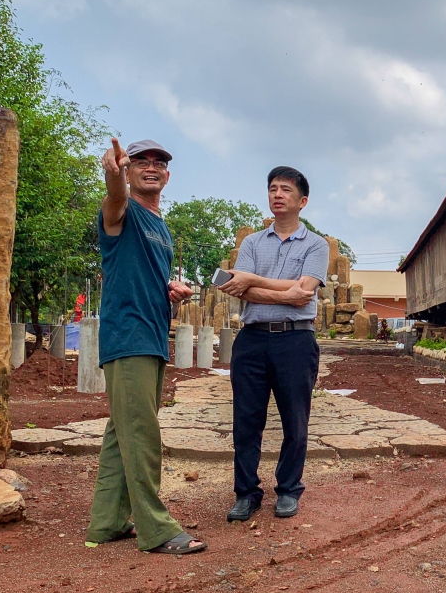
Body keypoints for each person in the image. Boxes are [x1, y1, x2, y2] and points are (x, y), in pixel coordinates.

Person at [85, 137, 206, 555]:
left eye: (159, 162)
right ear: (129, 171)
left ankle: (107, 522)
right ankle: (156, 529)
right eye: (140, 162)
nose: (151, 167)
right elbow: (114, 200)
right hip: (128, 336)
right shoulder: (123, 211)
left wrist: (170, 290)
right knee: (142, 434)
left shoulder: (160, 226)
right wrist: (112, 175)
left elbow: (140, 274)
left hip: (152, 336)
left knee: (123, 431)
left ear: (167, 176)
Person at [220, 166, 328, 521]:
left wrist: (253, 282)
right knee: (245, 421)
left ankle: (288, 489)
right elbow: (241, 288)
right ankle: (246, 492)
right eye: (272, 188)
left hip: (295, 340)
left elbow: (307, 292)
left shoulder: (316, 245)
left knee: (295, 421)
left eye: (285, 189)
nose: (277, 194)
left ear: (303, 201)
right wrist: (286, 290)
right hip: (251, 341)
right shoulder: (251, 243)